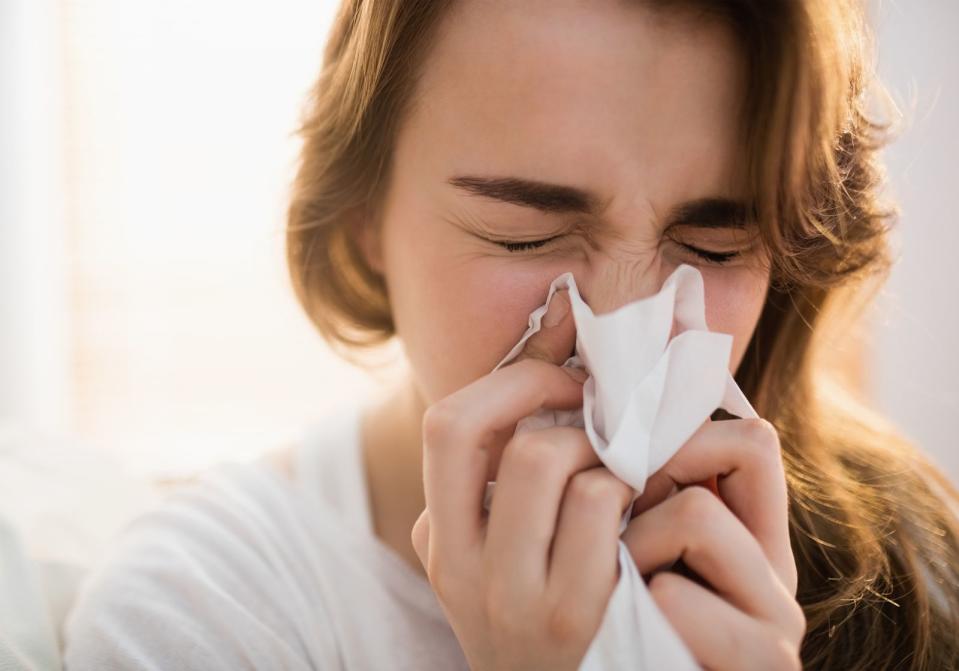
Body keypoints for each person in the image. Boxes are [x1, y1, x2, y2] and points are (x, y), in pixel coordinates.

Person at [63, 1, 959, 669]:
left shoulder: (907, 573)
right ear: (364, 218)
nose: (616, 328)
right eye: (523, 236)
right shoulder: (202, 614)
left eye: (712, 244)